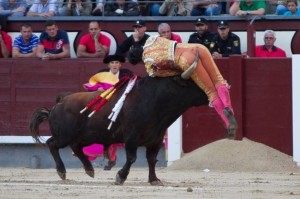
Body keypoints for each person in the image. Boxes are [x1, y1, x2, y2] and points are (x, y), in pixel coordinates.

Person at [137, 35, 238, 138]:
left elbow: (168, 72)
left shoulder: (149, 65)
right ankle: (227, 107)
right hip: (197, 48)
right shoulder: (152, 39)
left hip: (185, 60)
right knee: (218, 81)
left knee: (211, 92)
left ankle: (228, 123)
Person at [82, 54, 133, 170]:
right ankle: (105, 158)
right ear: (108, 65)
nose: (114, 65)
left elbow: (131, 87)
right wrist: (98, 89)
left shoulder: (126, 75)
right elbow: (91, 86)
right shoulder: (102, 74)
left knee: (116, 132)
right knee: (100, 129)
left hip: (119, 107)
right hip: (104, 107)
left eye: (117, 63)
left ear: (120, 65)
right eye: (112, 63)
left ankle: (111, 158)